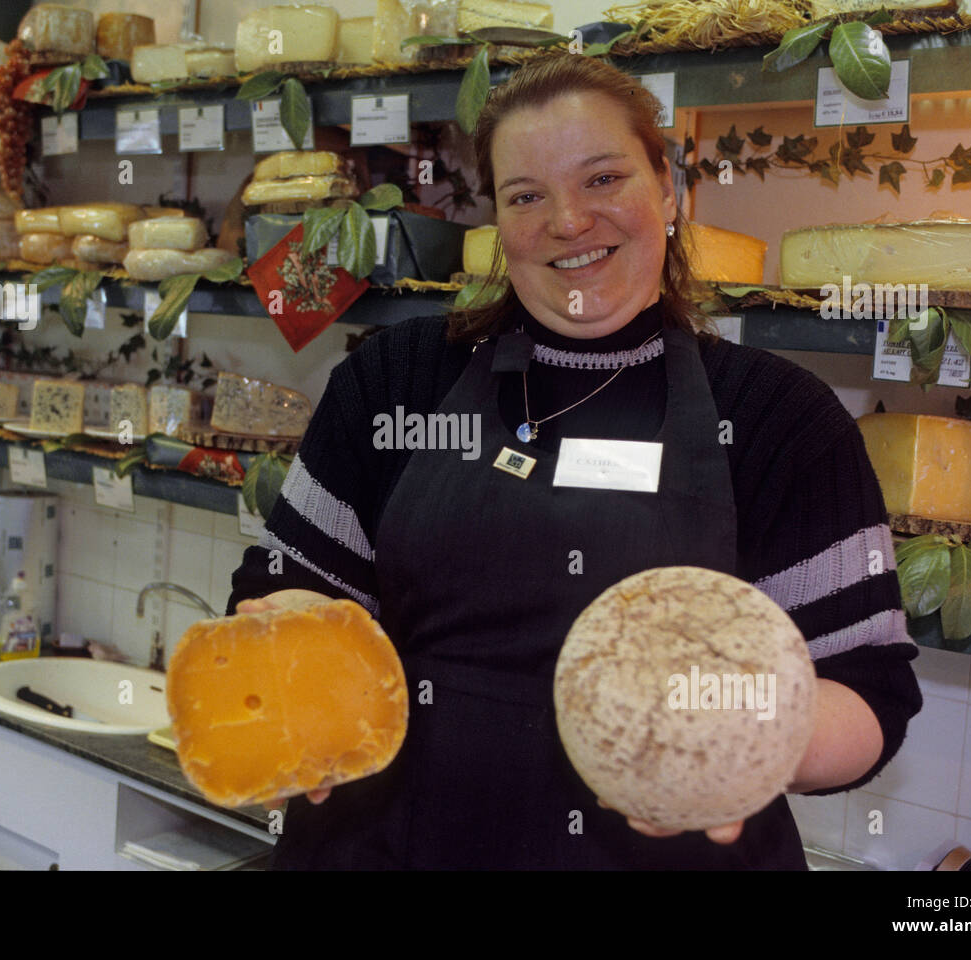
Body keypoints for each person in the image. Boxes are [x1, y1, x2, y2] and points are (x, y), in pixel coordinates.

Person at [227, 54, 923, 869]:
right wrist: (283, 664)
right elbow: (285, 590)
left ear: (667, 189)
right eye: (527, 196)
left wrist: (759, 735)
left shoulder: (779, 419)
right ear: (499, 223)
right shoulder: (396, 382)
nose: (567, 221)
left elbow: (869, 690)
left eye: (602, 180)